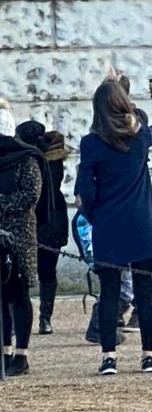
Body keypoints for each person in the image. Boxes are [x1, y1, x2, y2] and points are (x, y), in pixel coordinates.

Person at [74, 71, 152, 376]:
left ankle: (109, 357)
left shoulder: (91, 143)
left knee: (109, 292)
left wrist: (95, 216)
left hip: (109, 221)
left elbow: (86, 190)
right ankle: (149, 355)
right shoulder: (140, 136)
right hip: (142, 221)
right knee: (145, 290)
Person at [12, 120, 69, 336]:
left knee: (20, 272)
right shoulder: (53, 159)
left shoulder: (26, 160)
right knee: (48, 272)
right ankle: (45, 319)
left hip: (35, 217)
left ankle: (21, 320)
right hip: (55, 215)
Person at [0, 123, 40, 377]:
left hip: (20, 235)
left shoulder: (26, 160)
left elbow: (31, 194)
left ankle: (21, 354)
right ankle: (4, 351)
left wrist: (2, 204)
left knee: (20, 295)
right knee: (1, 299)